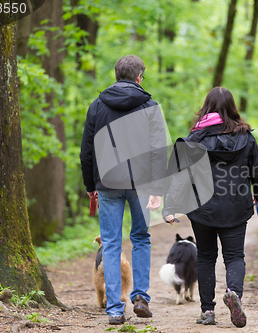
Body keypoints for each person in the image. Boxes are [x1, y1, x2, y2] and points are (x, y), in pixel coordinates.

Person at [163, 87, 258, 328]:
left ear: (206, 107)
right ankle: (234, 294)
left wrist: (169, 206)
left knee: (206, 258)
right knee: (234, 256)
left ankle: (208, 311)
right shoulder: (246, 138)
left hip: (202, 209)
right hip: (236, 206)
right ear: (233, 107)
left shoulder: (194, 139)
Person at [80, 55, 167, 325]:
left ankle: (115, 309)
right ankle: (140, 297)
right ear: (139, 77)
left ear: (117, 75)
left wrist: (89, 185)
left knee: (111, 242)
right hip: (140, 183)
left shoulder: (97, 106)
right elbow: (159, 150)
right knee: (141, 238)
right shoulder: (151, 106)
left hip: (107, 183)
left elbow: (87, 152)